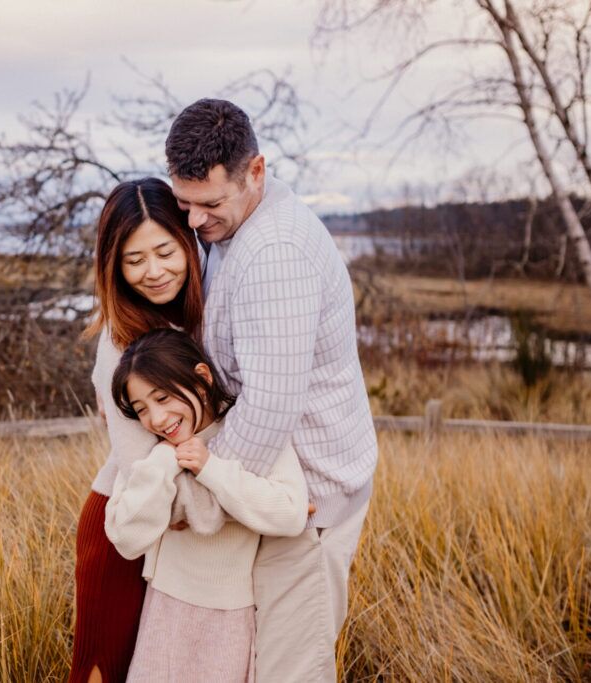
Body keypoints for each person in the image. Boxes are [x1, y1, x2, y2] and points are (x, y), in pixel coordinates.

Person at [165, 98, 379, 682]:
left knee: (290, 672)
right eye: (183, 202)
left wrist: (198, 499)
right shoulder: (236, 226)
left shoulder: (273, 253)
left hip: (308, 501)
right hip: (274, 495)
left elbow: (268, 406)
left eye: (209, 203)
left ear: (255, 171)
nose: (192, 221)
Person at [104, 328, 308, 683]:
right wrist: (165, 461)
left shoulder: (248, 434)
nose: (156, 418)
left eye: (163, 398)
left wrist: (210, 468)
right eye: (142, 409)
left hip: (228, 612)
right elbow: (125, 536)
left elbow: (290, 513)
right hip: (164, 605)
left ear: (201, 379)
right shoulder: (152, 452)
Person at [69, 177, 205, 683]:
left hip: (168, 536)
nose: (154, 271)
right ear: (114, 265)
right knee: (101, 673)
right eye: (133, 260)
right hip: (122, 525)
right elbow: (137, 467)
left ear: (187, 241)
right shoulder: (118, 341)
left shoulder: (188, 319)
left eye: (165, 251)